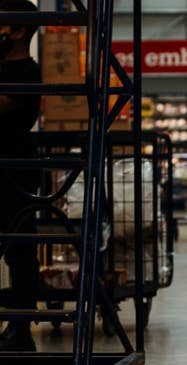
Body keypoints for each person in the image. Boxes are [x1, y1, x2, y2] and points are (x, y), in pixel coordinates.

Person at [0, 0, 42, 352]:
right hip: (9, 168)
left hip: (16, 171)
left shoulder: (28, 71)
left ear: (18, 31)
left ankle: (21, 327)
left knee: (20, 249)